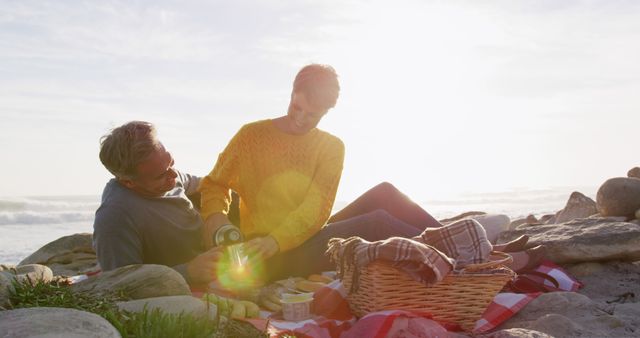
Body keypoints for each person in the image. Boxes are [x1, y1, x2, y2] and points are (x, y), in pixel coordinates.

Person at [92, 121, 223, 286]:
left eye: (171, 162)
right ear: (128, 182)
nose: (174, 175)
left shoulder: (166, 173)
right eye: (161, 175)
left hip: (219, 252)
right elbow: (122, 284)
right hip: (187, 280)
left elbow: (209, 186)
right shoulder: (114, 216)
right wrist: (188, 272)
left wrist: (216, 215)